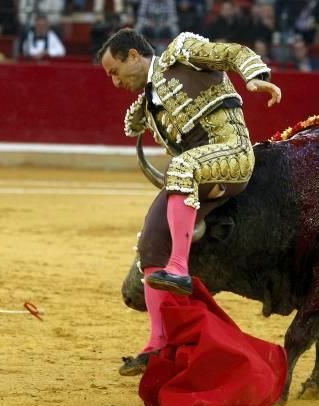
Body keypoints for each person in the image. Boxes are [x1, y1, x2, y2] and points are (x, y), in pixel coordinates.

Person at [97, 29, 281, 375]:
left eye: (115, 71)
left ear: (134, 55)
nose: (114, 82)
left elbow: (231, 52)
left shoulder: (181, 52)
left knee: (180, 166)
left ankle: (179, 267)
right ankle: (157, 343)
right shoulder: (148, 105)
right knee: (151, 241)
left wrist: (256, 77)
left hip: (234, 156)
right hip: (195, 175)